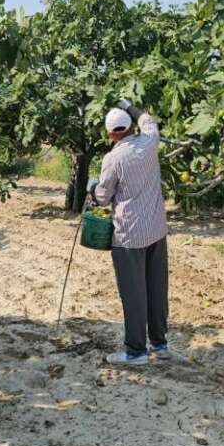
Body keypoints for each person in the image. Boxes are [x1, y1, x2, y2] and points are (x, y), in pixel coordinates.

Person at [88, 99, 170, 365]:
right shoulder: (149, 142)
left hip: (129, 236)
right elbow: (149, 120)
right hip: (156, 229)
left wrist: (91, 187)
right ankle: (159, 344)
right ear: (131, 126)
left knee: (134, 294)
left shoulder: (113, 158)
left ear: (111, 133)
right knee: (157, 289)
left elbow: (102, 198)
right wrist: (129, 106)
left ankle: (136, 352)